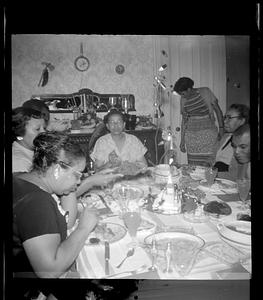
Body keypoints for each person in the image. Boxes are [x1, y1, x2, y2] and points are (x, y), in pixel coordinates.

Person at [13, 131, 112, 278]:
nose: (79, 181)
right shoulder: (37, 202)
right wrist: (83, 228)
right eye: (78, 174)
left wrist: (69, 184)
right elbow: (49, 272)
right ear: (57, 169)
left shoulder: (23, 178)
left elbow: (67, 222)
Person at [173, 77, 224, 166]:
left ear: (189, 89)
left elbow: (218, 110)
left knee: (209, 164)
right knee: (194, 167)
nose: (182, 96)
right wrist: (182, 141)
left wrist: (221, 129)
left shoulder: (205, 92)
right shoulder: (183, 99)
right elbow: (184, 121)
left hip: (208, 136)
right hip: (192, 138)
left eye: (183, 93)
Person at [214, 104, 249, 172]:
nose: (224, 121)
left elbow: (235, 174)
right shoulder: (225, 137)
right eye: (225, 117)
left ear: (242, 121)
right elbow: (213, 158)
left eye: (229, 118)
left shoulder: (246, 143)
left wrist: (212, 174)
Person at [12, 107, 47, 173]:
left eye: (44, 128)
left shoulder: (34, 151)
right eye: (37, 129)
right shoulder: (19, 162)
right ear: (20, 133)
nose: (44, 132)